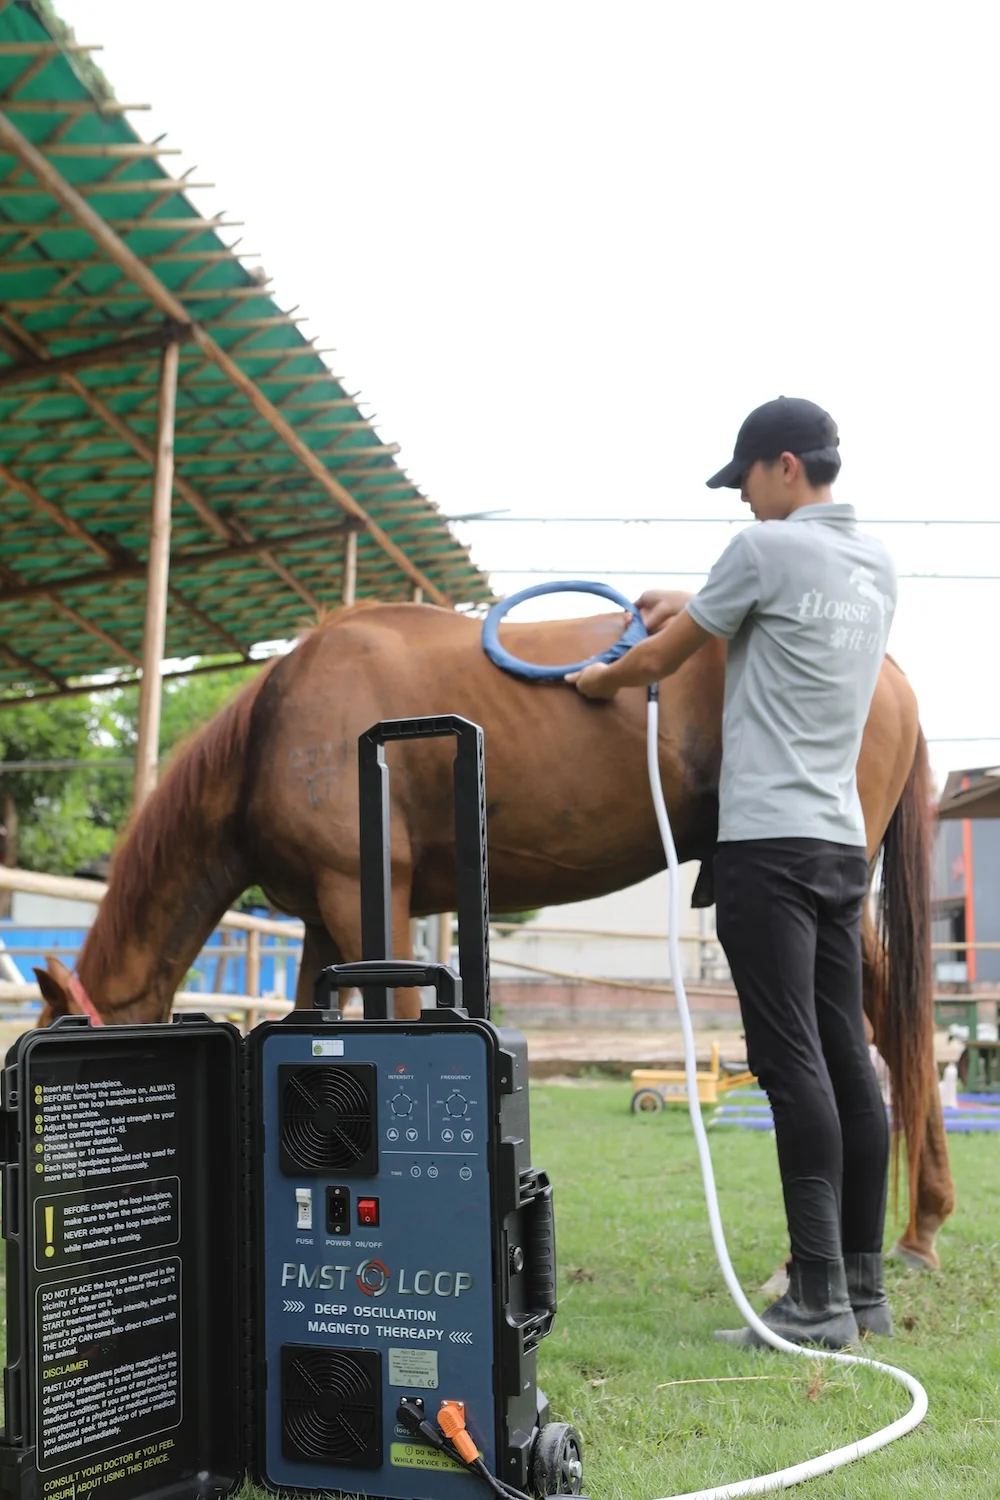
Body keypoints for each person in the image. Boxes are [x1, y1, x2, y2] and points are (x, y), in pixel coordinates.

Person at [569, 396, 896, 1349]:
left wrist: (598, 681)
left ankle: (814, 1303)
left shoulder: (762, 553)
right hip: (840, 847)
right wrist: (698, 595)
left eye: (747, 481)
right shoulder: (873, 565)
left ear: (784, 466)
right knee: (847, 1062)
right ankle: (863, 1292)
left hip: (767, 850)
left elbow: (665, 655)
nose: (744, 501)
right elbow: (771, 611)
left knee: (789, 1066)